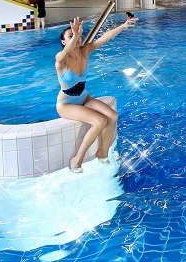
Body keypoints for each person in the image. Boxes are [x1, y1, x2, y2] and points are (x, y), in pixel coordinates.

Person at [56, 15, 137, 172]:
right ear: (63, 42)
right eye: (70, 36)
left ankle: (102, 152)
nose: (76, 39)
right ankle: (77, 160)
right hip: (66, 104)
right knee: (99, 121)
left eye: (78, 36)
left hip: (84, 97)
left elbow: (104, 38)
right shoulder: (61, 60)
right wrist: (77, 35)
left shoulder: (84, 51)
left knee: (112, 116)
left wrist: (123, 26)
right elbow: (65, 52)